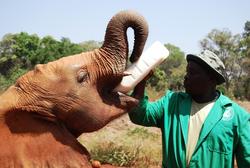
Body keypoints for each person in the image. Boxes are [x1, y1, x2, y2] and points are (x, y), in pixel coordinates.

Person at [128, 50, 250, 168]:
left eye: (192, 73)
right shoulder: (171, 103)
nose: (186, 77)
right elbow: (139, 115)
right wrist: (141, 80)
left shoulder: (237, 117)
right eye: (187, 72)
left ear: (211, 79)